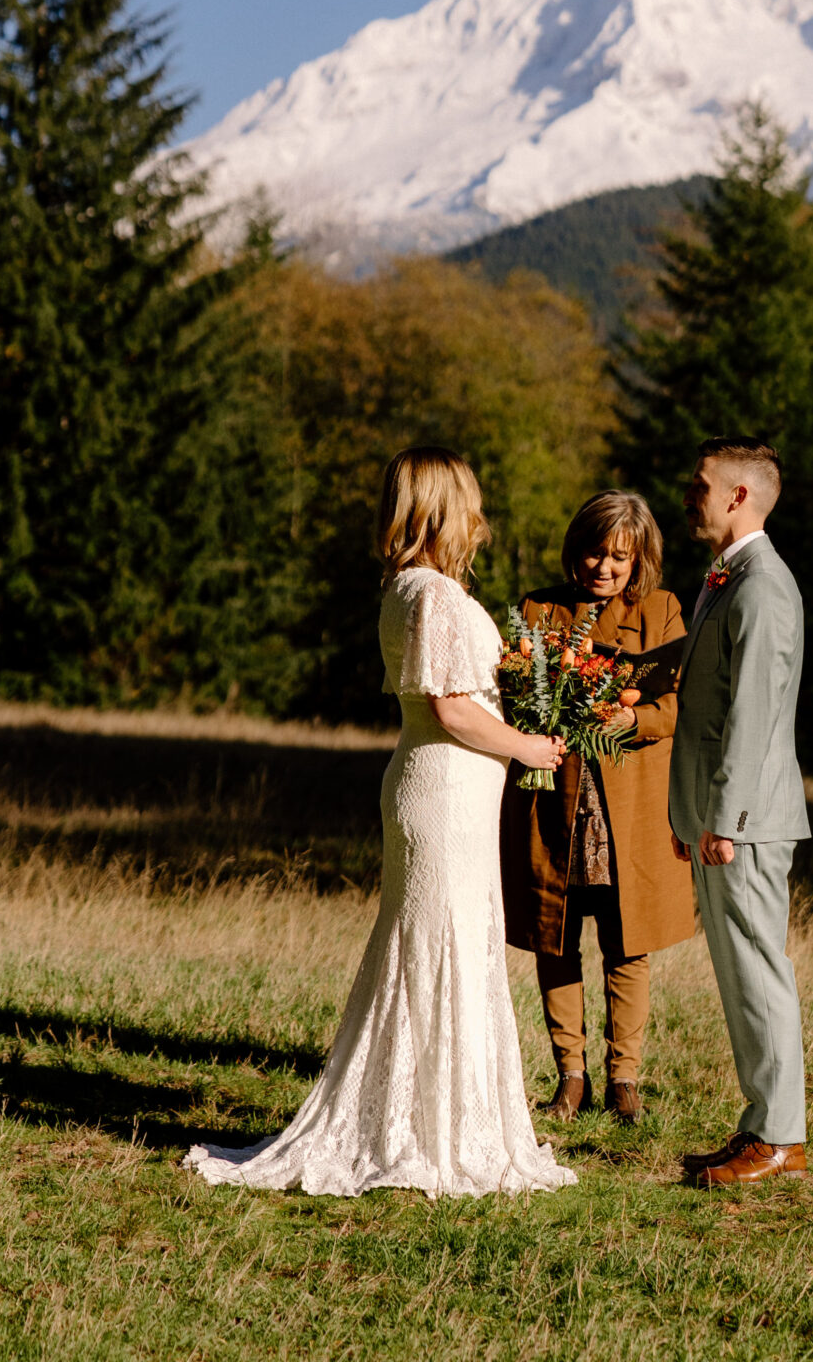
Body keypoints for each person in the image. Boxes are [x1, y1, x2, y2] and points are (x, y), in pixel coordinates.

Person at [183, 448, 575, 1200]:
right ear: (441, 509)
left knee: (441, 940)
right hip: (442, 789)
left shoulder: (414, 588)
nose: (479, 520)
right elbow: (450, 706)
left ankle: (439, 1115)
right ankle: (423, 1128)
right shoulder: (431, 596)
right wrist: (527, 743)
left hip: (448, 787)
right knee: (436, 942)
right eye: (469, 504)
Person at [500, 491, 696, 1123]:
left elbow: (676, 707)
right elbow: (511, 695)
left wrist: (630, 716)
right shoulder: (538, 609)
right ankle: (570, 1078)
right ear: (573, 549)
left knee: (627, 943)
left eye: (619, 557)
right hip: (555, 803)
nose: (604, 568)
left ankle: (624, 1080)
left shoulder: (663, 611)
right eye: (593, 552)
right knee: (554, 939)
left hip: (628, 810)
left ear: (641, 559)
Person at [670, 437, 810, 1189]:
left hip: (747, 819)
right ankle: (762, 1122)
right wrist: (688, 812)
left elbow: (751, 717)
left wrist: (722, 820)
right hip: (720, 815)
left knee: (758, 972)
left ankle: (781, 1137)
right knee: (738, 971)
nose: (689, 494)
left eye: (700, 485)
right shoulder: (726, 577)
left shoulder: (760, 586)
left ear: (737, 496)